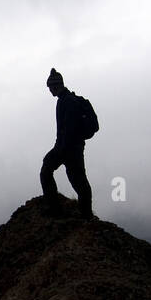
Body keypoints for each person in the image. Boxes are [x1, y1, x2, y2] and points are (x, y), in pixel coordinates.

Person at [39, 68, 94, 219]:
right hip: (74, 148)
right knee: (79, 181)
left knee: (46, 171)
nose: (50, 90)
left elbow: (67, 129)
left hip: (68, 148)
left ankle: (56, 209)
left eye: (50, 87)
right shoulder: (67, 99)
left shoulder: (66, 102)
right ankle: (86, 215)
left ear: (56, 85)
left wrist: (60, 148)